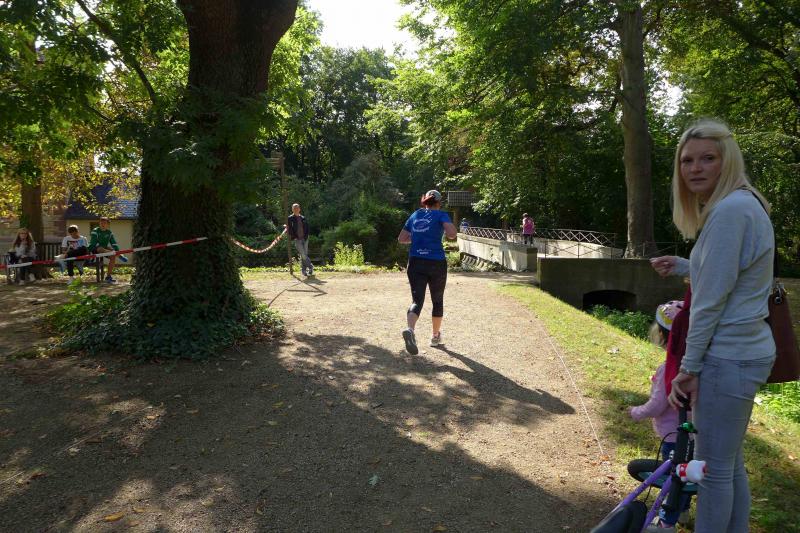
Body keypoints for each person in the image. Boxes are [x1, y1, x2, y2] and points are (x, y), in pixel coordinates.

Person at [650, 119, 775, 533]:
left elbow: (709, 302)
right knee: (728, 465)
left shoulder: (729, 212)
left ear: (728, 161)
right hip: (744, 350)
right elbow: (732, 277)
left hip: (727, 355)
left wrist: (689, 366)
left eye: (708, 158)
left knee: (713, 470)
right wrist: (686, 266)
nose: (695, 168)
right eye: (687, 161)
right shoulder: (744, 204)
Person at [629, 300, 692, 533]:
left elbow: (656, 406)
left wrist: (635, 412)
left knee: (674, 480)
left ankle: (666, 523)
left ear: (665, 336)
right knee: (687, 475)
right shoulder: (699, 366)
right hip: (696, 435)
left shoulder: (668, 368)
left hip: (675, 439)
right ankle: (684, 511)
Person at [397, 189, 457, 353]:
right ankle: (435, 336)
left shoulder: (415, 215)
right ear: (438, 203)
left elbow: (402, 239)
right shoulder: (441, 215)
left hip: (415, 262)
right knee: (437, 301)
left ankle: (410, 330)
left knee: (417, 300)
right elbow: (452, 234)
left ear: (425, 202)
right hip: (436, 263)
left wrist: (418, 238)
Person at [89, 217, 127, 284]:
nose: (103, 224)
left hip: (105, 248)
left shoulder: (109, 233)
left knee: (112, 255)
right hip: (95, 248)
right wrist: (89, 251)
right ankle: (117, 254)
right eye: (101, 223)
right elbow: (93, 243)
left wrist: (116, 250)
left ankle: (108, 277)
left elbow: (114, 243)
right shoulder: (95, 231)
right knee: (101, 248)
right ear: (99, 223)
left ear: (108, 224)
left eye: (104, 223)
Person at [287, 203, 313, 277]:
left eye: (297, 208)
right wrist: (294, 236)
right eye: (294, 208)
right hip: (297, 239)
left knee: (304, 255)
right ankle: (310, 266)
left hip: (305, 239)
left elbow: (307, 228)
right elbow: (289, 229)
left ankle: (304, 271)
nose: (296, 209)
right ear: (292, 209)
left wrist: (307, 236)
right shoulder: (290, 218)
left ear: (299, 209)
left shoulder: (303, 217)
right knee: (303, 255)